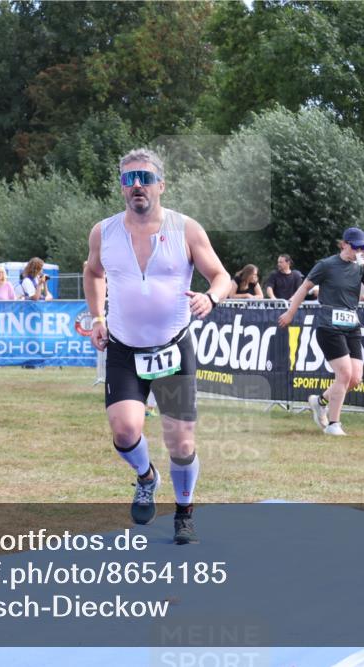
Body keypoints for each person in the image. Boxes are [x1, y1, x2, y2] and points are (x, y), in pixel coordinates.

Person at [83, 147, 230, 545]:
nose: (137, 187)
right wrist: (97, 317)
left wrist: (211, 297)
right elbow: (92, 271)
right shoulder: (104, 231)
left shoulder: (186, 229)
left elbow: (221, 275)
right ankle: (146, 477)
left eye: (144, 179)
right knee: (125, 429)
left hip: (172, 346)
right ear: (121, 189)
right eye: (129, 180)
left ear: (161, 185)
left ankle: (184, 510)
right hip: (124, 348)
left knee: (181, 442)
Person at [278, 226, 364, 436]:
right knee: (344, 373)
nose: (360, 250)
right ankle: (334, 424)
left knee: (355, 378)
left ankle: (320, 401)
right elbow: (305, 287)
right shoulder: (326, 265)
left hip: (352, 325)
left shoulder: (361, 267)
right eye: (356, 247)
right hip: (328, 325)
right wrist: (291, 313)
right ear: (344, 245)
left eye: (363, 247)